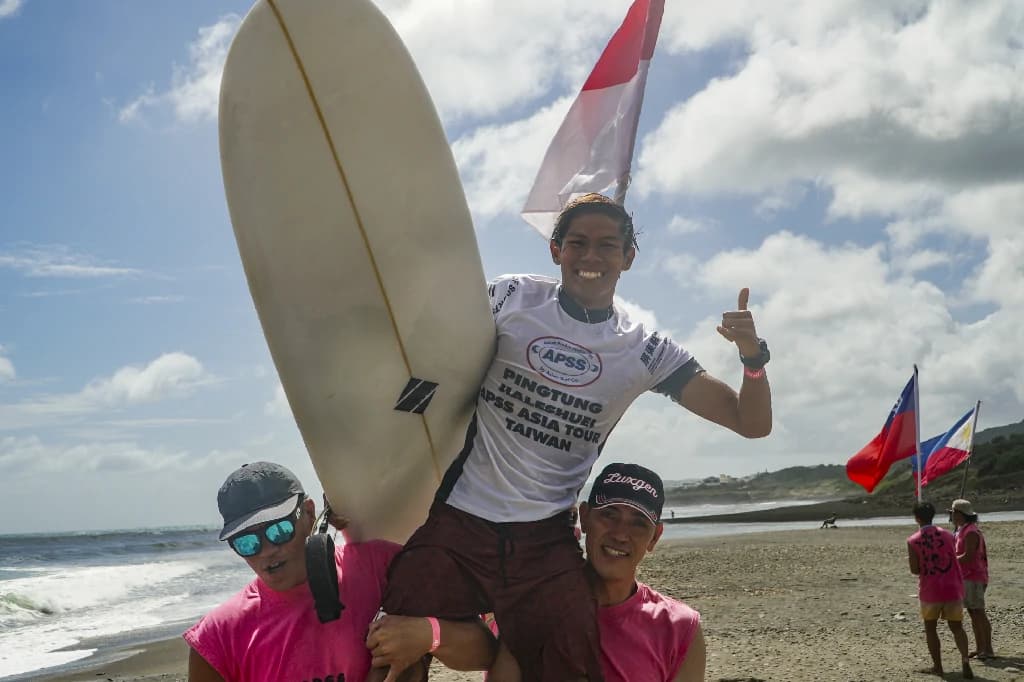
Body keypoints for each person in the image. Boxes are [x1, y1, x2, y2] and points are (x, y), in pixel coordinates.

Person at [374, 194, 771, 681]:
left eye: (607, 245)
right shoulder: (512, 298)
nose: (591, 257)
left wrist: (752, 357)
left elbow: (750, 422)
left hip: (545, 538)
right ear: (555, 250)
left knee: (569, 658)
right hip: (461, 520)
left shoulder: (643, 347)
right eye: (577, 243)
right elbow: (425, 344)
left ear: (629, 257)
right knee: (391, 636)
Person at [368, 463, 706, 682]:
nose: (620, 533)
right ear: (585, 518)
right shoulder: (535, 599)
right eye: (609, 515)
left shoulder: (679, 628)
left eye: (638, 524)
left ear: (655, 537)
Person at [184, 462, 492, 682]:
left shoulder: (379, 567)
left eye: (279, 530)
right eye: (247, 542)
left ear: (307, 514)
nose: (266, 550)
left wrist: (428, 635)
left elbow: (484, 651)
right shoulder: (219, 636)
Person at [907, 501, 973, 680]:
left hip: (931, 589)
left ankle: (938, 666)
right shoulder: (948, 535)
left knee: (930, 628)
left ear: (917, 518)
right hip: (952, 587)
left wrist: (927, 565)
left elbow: (914, 569)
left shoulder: (913, 540)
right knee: (957, 627)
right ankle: (965, 661)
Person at [950, 498, 993, 660]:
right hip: (966, 577)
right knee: (973, 612)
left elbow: (968, 557)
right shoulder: (963, 530)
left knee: (979, 612)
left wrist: (950, 560)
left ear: (960, 514)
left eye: (953, 512)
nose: (951, 515)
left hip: (974, 576)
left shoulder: (971, 532)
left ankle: (988, 649)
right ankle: (980, 647)